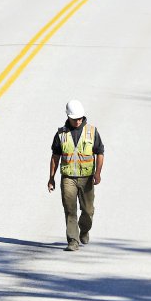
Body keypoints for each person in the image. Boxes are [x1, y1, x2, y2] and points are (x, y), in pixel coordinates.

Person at [49, 99, 105, 251]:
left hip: (87, 178)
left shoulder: (92, 132)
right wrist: (51, 178)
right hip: (68, 178)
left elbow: (100, 153)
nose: (78, 121)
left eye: (80, 118)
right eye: (75, 119)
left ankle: (84, 230)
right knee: (70, 209)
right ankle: (73, 241)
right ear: (68, 116)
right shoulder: (61, 134)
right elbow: (55, 157)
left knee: (88, 210)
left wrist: (98, 173)